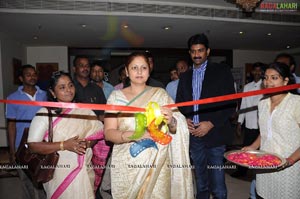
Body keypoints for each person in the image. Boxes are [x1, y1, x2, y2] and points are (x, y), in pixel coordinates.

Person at [104, 52, 193, 199]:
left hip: (158, 162)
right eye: (134, 68)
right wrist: (134, 135)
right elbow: (108, 133)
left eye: (143, 67)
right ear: (126, 71)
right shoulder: (115, 97)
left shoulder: (161, 94)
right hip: (128, 163)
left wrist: (172, 120)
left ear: (149, 70)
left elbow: (176, 128)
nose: (139, 72)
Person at [176, 33, 236, 199]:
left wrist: (210, 123)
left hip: (214, 133)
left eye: (200, 50)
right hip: (194, 135)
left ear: (208, 51)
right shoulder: (185, 76)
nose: (197, 54)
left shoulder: (221, 71)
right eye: (193, 51)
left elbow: (231, 104)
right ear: (189, 53)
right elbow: (180, 103)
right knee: (201, 180)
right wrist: (185, 119)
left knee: (217, 182)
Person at [27, 71, 104, 199]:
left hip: (84, 172)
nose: (68, 90)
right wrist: (64, 145)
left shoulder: (84, 111)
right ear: (52, 92)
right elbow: (33, 146)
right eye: (62, 87)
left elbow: (96, 135)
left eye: (70, 85)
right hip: (58, 174)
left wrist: (89, 143)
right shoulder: (45, 114)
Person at [243, 62, 300, 199]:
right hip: (265, 162)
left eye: (274, 78)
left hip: (288, 166)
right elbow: (265, 133)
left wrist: (290, 160)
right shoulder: (262, 103)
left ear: (286, 81)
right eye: (266, 78)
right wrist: (252, 147)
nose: (268, 82)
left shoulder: (296, 103)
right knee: (263, 194)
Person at [6, 64, 47, 199]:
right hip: (21, 145)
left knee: (42, 177)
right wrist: (12, 151)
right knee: (26, 179)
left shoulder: (44, 95)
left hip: (42, 143)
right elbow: (11, 125)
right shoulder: (12, 98)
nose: (32, 77)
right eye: (28, 74)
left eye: (34, 74)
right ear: (21, 78)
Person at [231, 62, 264, 178]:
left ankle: (259, 173)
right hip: (249, 123)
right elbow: (244, 105)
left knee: (260, 150)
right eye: (255, 70)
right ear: (252, 72)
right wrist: (240, 122)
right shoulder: (247, 87)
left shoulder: (266, 86)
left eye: (260, 70)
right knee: (245, 148)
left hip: (262, 125)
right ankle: (242, 170)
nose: (257, 73)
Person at [72, 55, 106, 121]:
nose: (85, 68)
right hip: (73, 128)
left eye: (87, 66)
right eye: (81, 66)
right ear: (74, 69)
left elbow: (103, 113)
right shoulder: (69, 88)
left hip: (94, 128)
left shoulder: (97, 89)